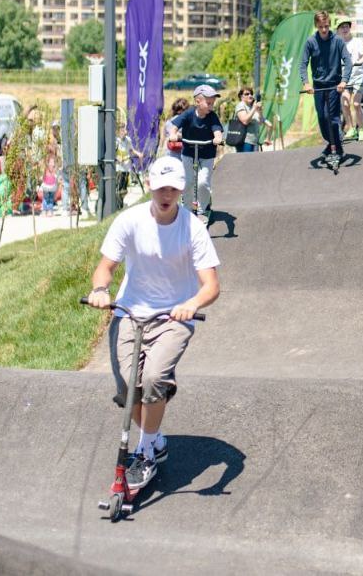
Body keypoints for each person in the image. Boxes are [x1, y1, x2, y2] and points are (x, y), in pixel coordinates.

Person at [85, 155, 221, 490]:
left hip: (174, 315)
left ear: (181, 190)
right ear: (150, 186)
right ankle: (155, 438)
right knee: (129, 388)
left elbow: (211, 285)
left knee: (155, 376)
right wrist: (101, 290)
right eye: (161, 188)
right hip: (130, 311)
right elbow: (106, 267)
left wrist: (191, 305)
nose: (166, 195)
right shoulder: (129, 221)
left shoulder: (193, 228)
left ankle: (144, 452)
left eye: (173, 189)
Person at [299, 10, 352, 162]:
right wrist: (306, 83)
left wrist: (344, 81)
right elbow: (303, 64)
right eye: (321, 26)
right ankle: (332, 143)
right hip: (318, 86)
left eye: (326, 26)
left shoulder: (338, 41)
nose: (324, 30)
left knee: (332, 117)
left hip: (335, 85)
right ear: (316, 25)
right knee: (322, 118)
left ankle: (337, 147)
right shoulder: (311, 42)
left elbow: (348, 62)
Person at [164, 85, 224, 217]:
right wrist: (173, 134)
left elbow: (217, 131)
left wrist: (218, 138)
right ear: (198, 102)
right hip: (188, 152)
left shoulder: (212, 116)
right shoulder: (189, 114)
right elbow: (174, 126)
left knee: (203, 182)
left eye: (212, 104)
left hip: (207, 154)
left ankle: (203, 210)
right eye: (208, 103)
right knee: (188, 181)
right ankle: (187, 209)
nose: (211, 106)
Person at [337, 19, 363, 142]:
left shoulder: (357, 42)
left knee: (355, 104)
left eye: (346, 27)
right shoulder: (337, 44)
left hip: (357, 77)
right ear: (338, 30)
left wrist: (359, 62)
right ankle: (351, 128)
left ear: (349, 28)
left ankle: (360, 129)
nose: (344, 29)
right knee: (344, 103)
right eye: (342, 27)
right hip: (344, 78)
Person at [232, 87, 262, 153]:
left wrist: (259, 110)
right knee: (244, 162)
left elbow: (260, 122)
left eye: (251, 93)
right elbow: (245, 121)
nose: (250, 95)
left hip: (252, 141)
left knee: (250, 162)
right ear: (241, 96)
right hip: (244, 141)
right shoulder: (241, 105)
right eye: (247, 94)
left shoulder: (251, 107)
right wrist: (254, 108)